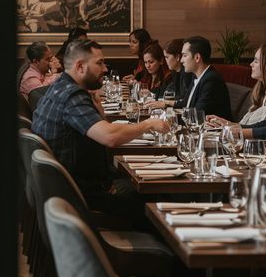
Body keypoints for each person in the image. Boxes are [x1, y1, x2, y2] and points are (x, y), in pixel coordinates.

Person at [31, 39, 170, 225]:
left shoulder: (59, 87)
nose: (105, 69)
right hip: (81, 197)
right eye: (100, 63)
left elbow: (99, 129)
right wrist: (149, 124)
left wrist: (98, 108)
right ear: (80, 66)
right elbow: (110, 137)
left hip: (65, 191)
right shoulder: (72, 96)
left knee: (144, 188)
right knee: (159, 208)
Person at [208, 43, 266, 126]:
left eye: (256, 61)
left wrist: (227, 126)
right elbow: (246, 127)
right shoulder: (263, 93)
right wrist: (224, 123)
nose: (251, 64)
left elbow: (262, 131)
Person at [168, 36, 231, 120]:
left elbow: (196, 116)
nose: (181, 60)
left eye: (185, 55)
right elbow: (186, 104)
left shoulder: (211, 80)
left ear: (197, 57)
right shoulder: (197, 76)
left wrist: (168, 120)